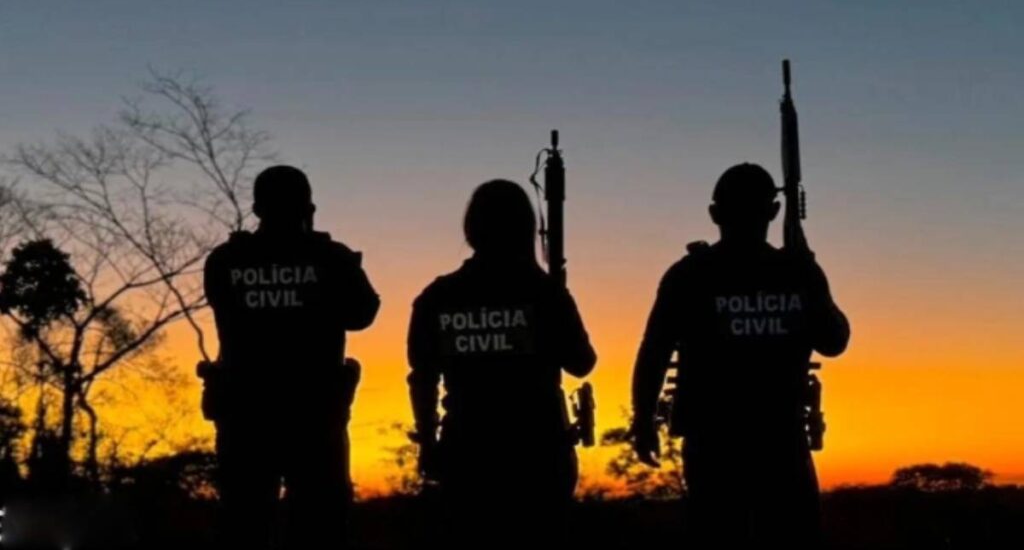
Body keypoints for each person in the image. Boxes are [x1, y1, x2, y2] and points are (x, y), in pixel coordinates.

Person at [630, 163, 850, 548]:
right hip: (776, 441)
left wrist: (644, 419)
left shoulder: (688, 275)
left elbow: (654, 352)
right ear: (773, 211)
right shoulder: (796, 272)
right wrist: (810, 276)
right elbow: (835, 340)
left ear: (715, 214)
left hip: (719, 443)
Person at [407, 179, 596, 547]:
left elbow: (423, 378)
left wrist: (428, 443)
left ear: (471, 229)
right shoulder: (543, 292)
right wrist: (555, 296)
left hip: (466, 451)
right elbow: (582, 363)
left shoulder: (438, 296)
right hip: (538, 453)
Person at [202, 165, 380, 549]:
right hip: (313, 416)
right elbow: (362, 314)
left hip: (246, 415)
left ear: (257, 209)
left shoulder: (225, 260)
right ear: (308, 207)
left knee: (244, 523)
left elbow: (225, 307)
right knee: (320, 525)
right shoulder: (330, 258)